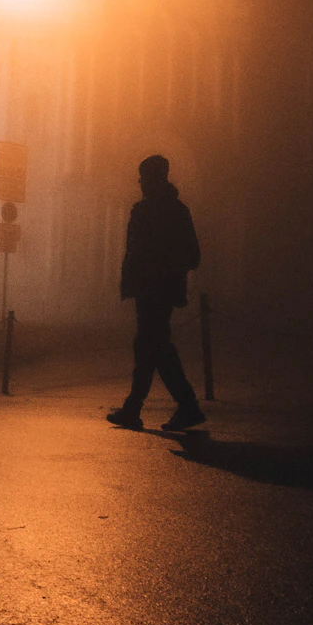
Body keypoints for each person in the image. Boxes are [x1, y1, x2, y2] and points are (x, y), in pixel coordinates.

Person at [107, 153, 206, 431]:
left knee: (153, 347)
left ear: (153, 179)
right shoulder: (179, 211)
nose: (140, 183)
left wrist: (141, 277)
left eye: (143, 178)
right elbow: (193, 255)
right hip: (163, 290)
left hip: (150, 290)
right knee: (152, 346)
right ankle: (139, 407)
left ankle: (182, 406)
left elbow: (135, 253)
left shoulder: (144, 212)